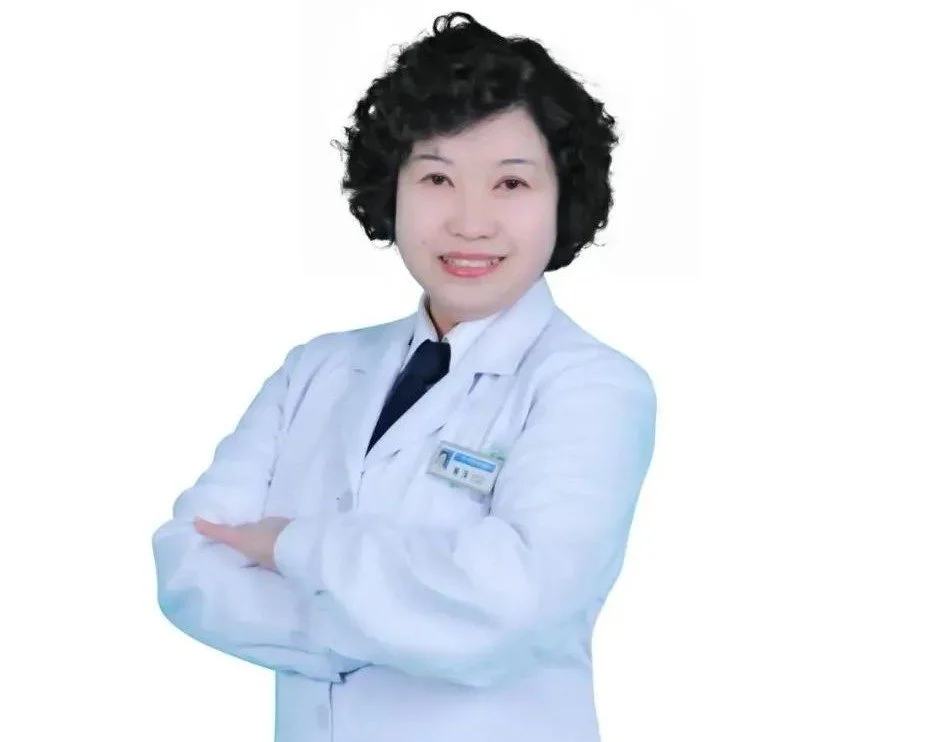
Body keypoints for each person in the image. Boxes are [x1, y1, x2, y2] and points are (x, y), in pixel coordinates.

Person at [152, 11, 657, 742]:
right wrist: (412, 621)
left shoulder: (594, 388)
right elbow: (188, 564)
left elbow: (509, 609)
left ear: (563, 197)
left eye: (511, 183)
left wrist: (292, 546)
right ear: (391, 188)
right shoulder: (315, 369)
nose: (471, 222)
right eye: (437, 178)